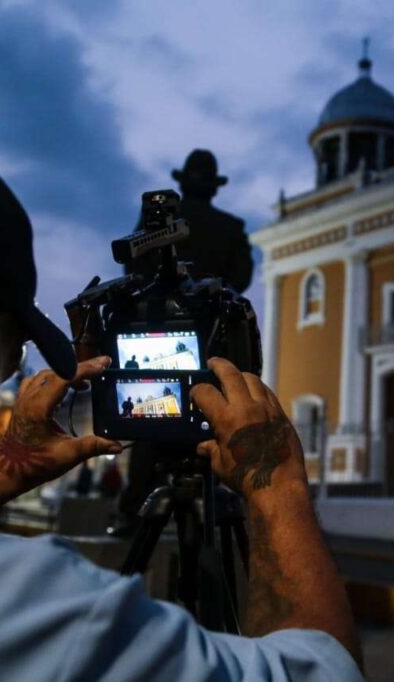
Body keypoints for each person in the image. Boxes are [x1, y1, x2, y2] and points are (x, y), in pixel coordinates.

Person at [0, 115, 361, 681]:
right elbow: (322, 672)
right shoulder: (40, 618)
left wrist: (8, 465)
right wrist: (276, 485)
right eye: (9, 360)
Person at [117, 148, 255, 535]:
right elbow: (241, 279)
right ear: (214, 188)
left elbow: (132, 266)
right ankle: (215, 514)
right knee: (212, 421)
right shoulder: (230, 227)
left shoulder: (156, 224)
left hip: (159, 337)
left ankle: (132, 514)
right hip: (212, 344)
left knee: (152, 424)